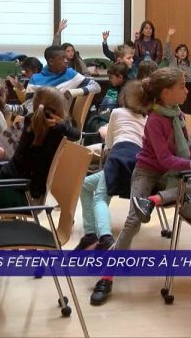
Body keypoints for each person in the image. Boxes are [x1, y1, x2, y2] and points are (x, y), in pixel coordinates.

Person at [90, 68, 191, 306]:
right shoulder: (155, 120)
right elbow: (164, 160)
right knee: (133, 220)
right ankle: (107, 277)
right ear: (166, 92)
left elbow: (190, 146)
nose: (187, 91)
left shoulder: (178, 114)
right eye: (182, 86)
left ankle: (155, 200)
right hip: (148, 171)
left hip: (172, 174)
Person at [75, 80, 149, 253]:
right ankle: (91, 235)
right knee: (85, 185)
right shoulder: (146, 119)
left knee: (100, 197)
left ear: (124, 97)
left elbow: (108, 143)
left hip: (118, 156)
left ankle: (105, 239)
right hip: (136, 162)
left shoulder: (117, 112)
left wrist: (103, 130)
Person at [0, 87, 80, 207]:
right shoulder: (59, 130)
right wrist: (61, 123)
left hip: (19, 191)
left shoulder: (30, 121)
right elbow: (76, 135)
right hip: (24, 189)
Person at [24, 45, 101, 112]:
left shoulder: (71, 74)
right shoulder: (35, 79)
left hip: (60, 121)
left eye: (66, 58)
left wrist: (73, 92)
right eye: (62, 58)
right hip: (39, 120)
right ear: (51, 61)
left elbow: (96, 86)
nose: (66, 61)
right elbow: (29, 106)